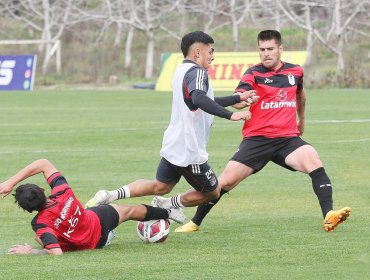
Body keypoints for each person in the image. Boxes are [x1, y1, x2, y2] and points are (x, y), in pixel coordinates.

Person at [158, 30, 351, 233]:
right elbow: (240, 96)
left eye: (270, 49)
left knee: (314, 162)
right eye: (262, 49)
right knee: (225, 182)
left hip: (287, 139)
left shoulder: (295, 72)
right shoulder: (253, 73)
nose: (266, 53)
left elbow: (301, 95)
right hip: (257, 140)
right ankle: (194, 222)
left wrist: (301, 120)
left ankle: (329, 215)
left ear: (280, 49)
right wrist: (242, 101)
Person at [85, 31, 258, 210]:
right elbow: (199, 98)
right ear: (198, 52)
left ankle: (110, 194)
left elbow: (204, 100)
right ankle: (169, 205)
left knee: (161, 186)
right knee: (213, 192)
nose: (213, 56)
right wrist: (230, 115)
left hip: (175, 143)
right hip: (189, 149)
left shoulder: (181, 70)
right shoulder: (198, 72)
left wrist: (237, 98)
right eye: (211, 51)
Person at [0, 159, 185, 255]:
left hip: (96, 243)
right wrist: (11, 181)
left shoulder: (40, 224)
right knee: (130, 211)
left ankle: (109, 235)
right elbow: (43, 163)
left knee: (42, 239)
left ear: (29, 210)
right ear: (42, 189)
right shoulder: (62, 191)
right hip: (99, 218)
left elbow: (55, 252)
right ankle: (168, 211)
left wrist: (31, 251)